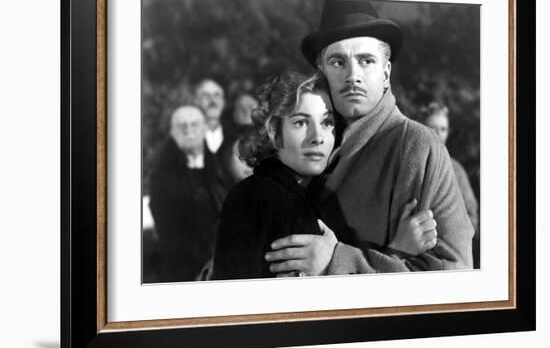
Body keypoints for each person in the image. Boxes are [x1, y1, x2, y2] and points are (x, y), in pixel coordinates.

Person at [264, 0, 474, 275]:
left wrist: (335, 261)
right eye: (338, 62)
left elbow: (454, 275)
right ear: (321, 73)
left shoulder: (416, 146)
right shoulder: (303, 143)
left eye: (366, 61)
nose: (353, 76)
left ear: (386, 73)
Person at [212, 72, 436, 280]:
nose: (317, 137)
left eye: (326, 122)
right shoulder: (260, 197)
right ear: (274, 132)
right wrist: (398, 252)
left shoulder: (320, 195)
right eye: (301, 123)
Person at [149, 105, 227, 282]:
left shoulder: (220, 169)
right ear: (172, 132)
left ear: (205, 128)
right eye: (181, 125)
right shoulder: (161, 178)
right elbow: (168, 233)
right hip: (182, 268)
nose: (188, 130)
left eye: (194, 124)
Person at [422, 102, 480, 268]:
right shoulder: (410, 164)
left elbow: (472, 216)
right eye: (433, 127)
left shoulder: (457, 170)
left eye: (443, 129)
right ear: (423, 128)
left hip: (451, 255)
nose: (438, 134)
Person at [194, 78, 226, 154]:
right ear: (196, 101)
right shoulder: (184, 137)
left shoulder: (235, 136)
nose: (212, 100)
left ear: (223, 102)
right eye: (206, 96)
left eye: (217, 95)